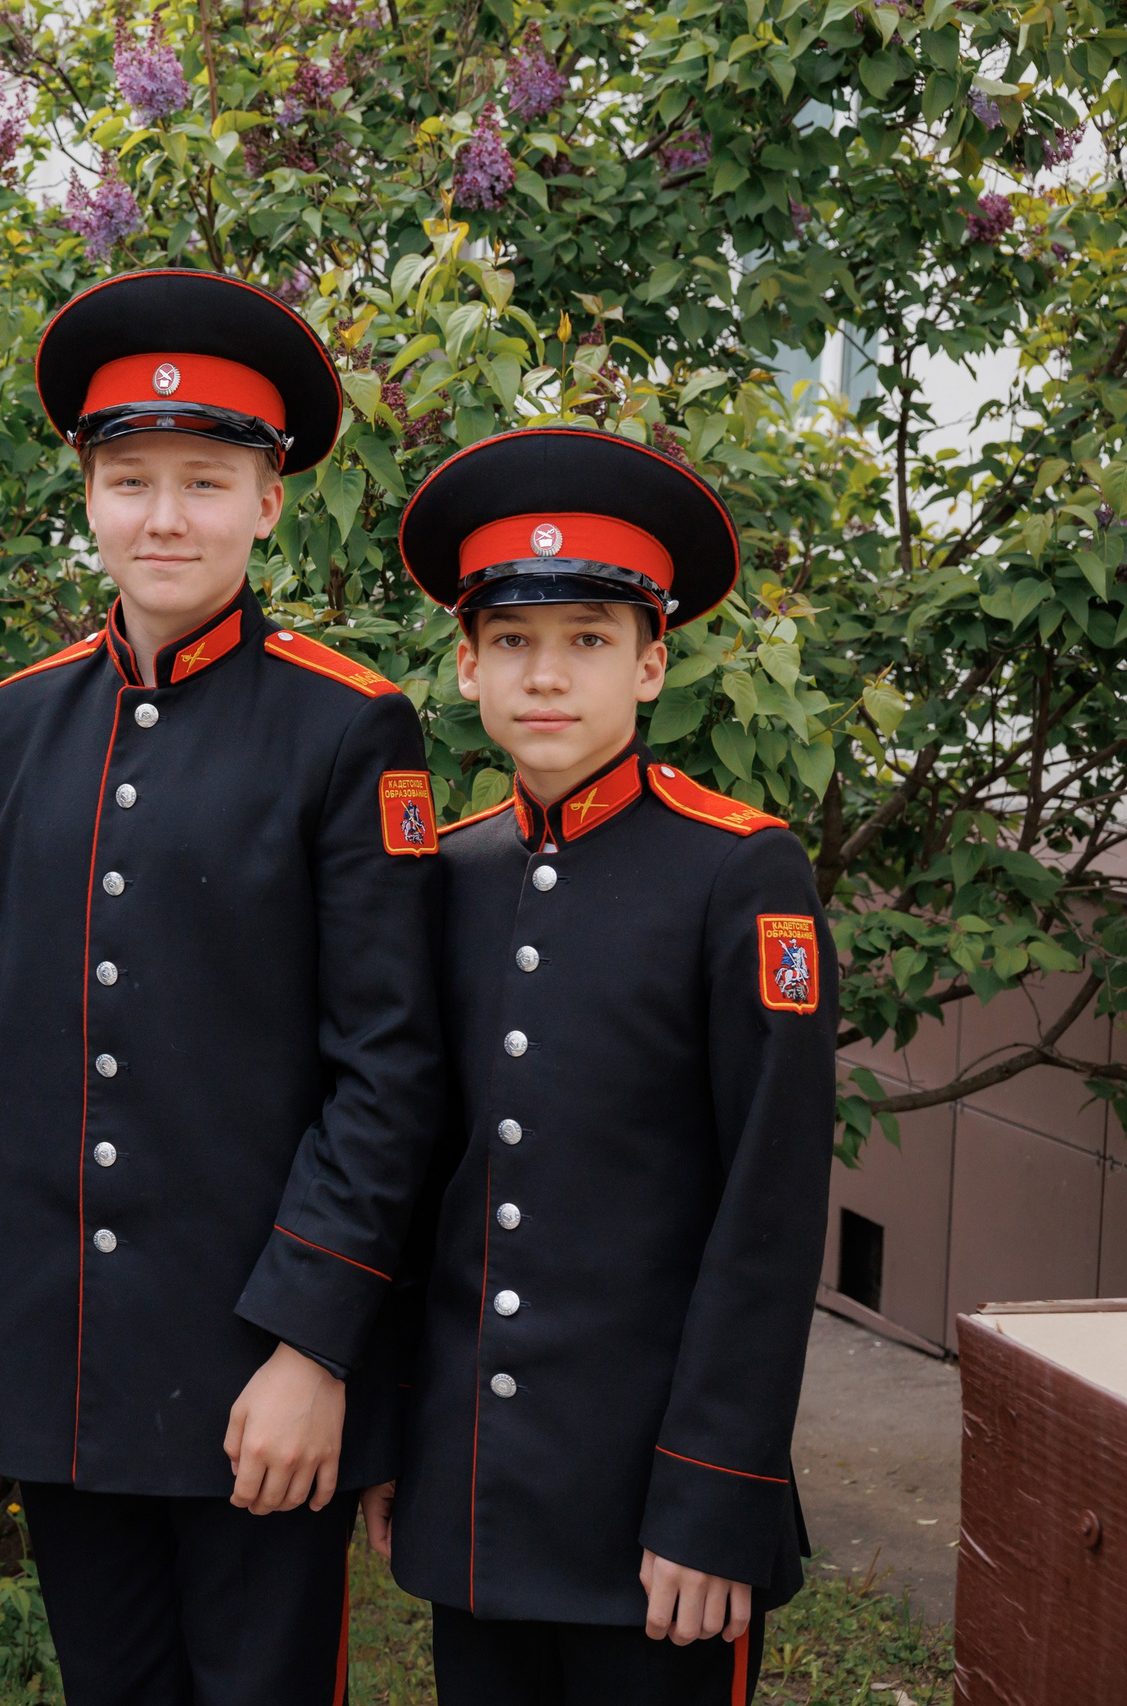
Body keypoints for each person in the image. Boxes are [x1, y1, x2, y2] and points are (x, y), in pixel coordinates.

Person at [0, 268, 450, 1706]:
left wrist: (315, 1342)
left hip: (255, 1360)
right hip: (62, 1349)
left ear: (269, 502)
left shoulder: (348, 726)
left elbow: (390, 1065)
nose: (166, 517)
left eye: (206, 480)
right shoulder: (18, 722)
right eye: (130, 479)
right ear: (88, 494)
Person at [369, 425, 834, 1705]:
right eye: (512, 641)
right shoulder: (446, 873)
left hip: (653, 1504)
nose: (546, 676)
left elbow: (770, 1203)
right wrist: (398, 1432)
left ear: (653, 662)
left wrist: (715, 1491)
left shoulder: (736, 870)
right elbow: (419, 1177)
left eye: (587, 638)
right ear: (466, 665)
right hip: (475, 1493)